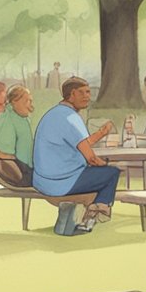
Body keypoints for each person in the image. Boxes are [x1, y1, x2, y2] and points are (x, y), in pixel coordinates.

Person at [33, 77, 118, 233]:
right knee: (112, 173)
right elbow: (91, 158)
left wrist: (101, 133)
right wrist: (104, 166)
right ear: (71, 94)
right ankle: (98, 211)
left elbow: (81, 143)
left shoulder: (54, 113)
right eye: (82, 93)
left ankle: (87, 216)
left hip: (42, 180)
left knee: (101, 175)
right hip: (62, 182)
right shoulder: (72, 118)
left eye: (88, 92)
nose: (87, 96)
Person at [0, 84, 35, 187]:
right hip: (11, 166)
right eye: (26, 101)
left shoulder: (23, 119)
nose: (30, 106)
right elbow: (5, 154)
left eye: (30, 101)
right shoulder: (6, 119)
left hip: (25, 166)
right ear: (14, 101)